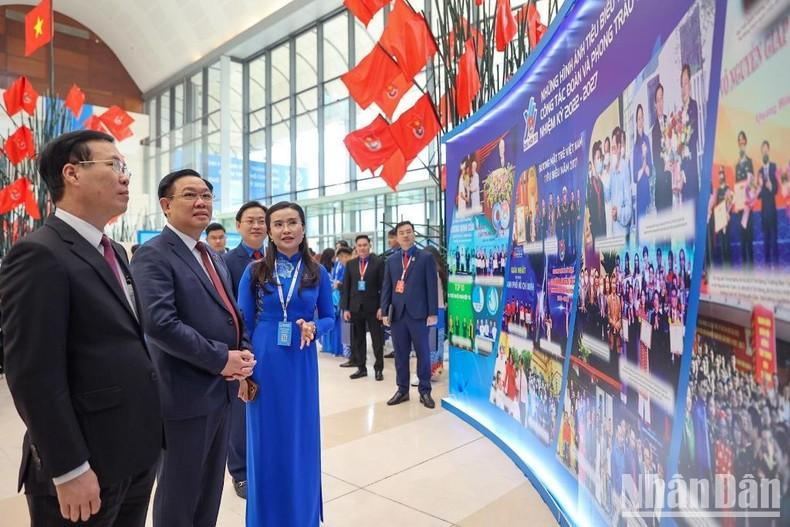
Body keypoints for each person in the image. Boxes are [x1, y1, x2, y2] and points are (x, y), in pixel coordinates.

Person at [0, 130, 162, 526]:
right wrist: (69, 468)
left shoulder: (113, 252)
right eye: (114, 165)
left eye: (125, 167)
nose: (125, 177)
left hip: (133, 453)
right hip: (86, 462)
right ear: (72, 174)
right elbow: (33, 374)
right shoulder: (39, 253)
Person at [131, 169, 255, 527]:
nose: (201, 202)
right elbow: (160, 324)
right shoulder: (153, 255)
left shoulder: (211, 256)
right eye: (189, 195)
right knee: (179, 495)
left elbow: (231, 313)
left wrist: (242, 353)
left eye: (206, 195)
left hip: (221, 392)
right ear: (166, 205)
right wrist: (221, 359)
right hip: (184, 395)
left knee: (208, 492)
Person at [236, 201, 334, 527]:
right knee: (265, 439)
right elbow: (242, 324)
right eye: (278, 224)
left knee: (300, 436)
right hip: (263, 361)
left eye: (292, 222)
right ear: (269, 231)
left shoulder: (317, 272)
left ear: (303, 228)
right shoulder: (255, 271)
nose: (286, 229)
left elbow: (330, 316)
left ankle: (300, 516)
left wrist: (314, 327)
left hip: (300, 361)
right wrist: (243, 373)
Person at [222, 200, 268, 499]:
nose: (257, 226)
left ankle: (263, 464)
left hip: (272, 346)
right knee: (240, 410)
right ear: (238, 226)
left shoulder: (277, 259)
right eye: (250, 220)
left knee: (266, 408)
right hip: (242, 345)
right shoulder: (227, 262)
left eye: (262, 220)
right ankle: (240, 472)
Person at [381, 221, 438, 409]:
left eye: (408, 232)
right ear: (397, 237)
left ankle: (425, 391)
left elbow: (431, 286)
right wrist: (384, 311)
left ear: (414, 234)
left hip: (419, 314)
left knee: (423, 353)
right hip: (398, 315)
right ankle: (402, 390)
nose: (405, 235)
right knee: (400, 355)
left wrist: (432, 312)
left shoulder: (426, 258)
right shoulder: (391, 260)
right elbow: (387, 287)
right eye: (401, 233)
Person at [341, 235, 386, 380]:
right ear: (356, 247)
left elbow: (383, 287)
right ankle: (361, 368)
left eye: (365, 245)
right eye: (359, 245)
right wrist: (346, 308)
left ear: (369, 246)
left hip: (373, 307)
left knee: (376, 339)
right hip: (355, 307)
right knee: (358, 339)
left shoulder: (378, 262)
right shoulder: (351, 264)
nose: (362, 248)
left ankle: (378, 369)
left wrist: (382, 307)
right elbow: (346, 287)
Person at [735, 131, 756, 267]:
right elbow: (737, 186)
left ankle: (751, 266)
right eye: (739, 140)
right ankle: (744, 268)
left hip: (748, 206)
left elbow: (752, 184)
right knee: (742, 238)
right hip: (740, 207)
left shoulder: (750, 162)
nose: (741, 142)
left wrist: (750, 199)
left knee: (749, 237)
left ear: (745, 142)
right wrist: (737, 203)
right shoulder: (737, 166)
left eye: (743, 140)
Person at [680, 65, 700, 202]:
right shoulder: (680, 112)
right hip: (682, 170)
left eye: (686, 82)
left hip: (691, 167)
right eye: (682, 84)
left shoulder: (693, 106)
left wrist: (684, 148)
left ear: (690, 84)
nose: (684, 87)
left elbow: (694, 138)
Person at [609, 127, 633, 238]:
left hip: (623, 235)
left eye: (614, 148)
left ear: (619, 147)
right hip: (615, 234)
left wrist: (618, 214)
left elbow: (629, 210)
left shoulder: (625, 168)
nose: (612, 152)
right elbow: (608, 199)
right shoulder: (612, 171)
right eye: (611, 149)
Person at [652, 83, 672, 212]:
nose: (660, 103)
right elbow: (655, 159)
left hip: (671, 181)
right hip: (661, 187)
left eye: (662, 99)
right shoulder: (654, 130)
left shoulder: (669, 121)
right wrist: (664, 166)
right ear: (655, 104)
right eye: (658, 100)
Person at [759, 140, 778, 265]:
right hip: (763, 212)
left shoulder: (774, 167)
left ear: (769, 151)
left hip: (772, 211)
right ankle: (767, 266)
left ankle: (776, 266)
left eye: (766, 149)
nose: (765, 152)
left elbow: (777, 189)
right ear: (761, 152)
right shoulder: (759, 172)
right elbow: (758, 196)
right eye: (763, 150)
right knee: (766, 241)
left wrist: (772, 187)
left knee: (774, 240)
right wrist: (759, 187)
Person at [332, 247, 353, 360]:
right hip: (343, 302)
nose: (342, 260)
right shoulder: (343, 268)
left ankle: (350, 353)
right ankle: (347, 353)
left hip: (352, 303)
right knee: (345, 327)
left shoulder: (352, 269)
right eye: (340, 258)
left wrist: (339, 285)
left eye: (343, 257)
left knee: (349, 328)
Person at [633, 103, 652, 219]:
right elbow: (635, 177)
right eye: (638, 118)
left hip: (647, 191)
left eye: (642, 118)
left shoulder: (647, 140)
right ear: (636, 122)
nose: (640, 121)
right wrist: (644, 163)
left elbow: (650, 172)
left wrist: (644, 161)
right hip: (639, 191)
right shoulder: (635, 146)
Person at [588, 141, 607, 239]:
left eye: (600, 158)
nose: (599, 161)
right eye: (597, 158)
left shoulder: (603, 180)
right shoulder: (590, 183)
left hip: (604, 225)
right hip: (596, 228)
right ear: (593, 160)